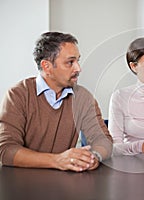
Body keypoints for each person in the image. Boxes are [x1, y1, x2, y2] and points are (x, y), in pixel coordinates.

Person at [0, 32, 113, 172]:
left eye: (78, 60)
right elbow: (6, 150)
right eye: (70, 62)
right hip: (23, 183)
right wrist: (57, 160)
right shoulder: (18, 95)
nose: (78, 68)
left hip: (65, 183)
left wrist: (94, 156)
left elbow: (103, 140)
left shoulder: (83, 98)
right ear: (47, 66)